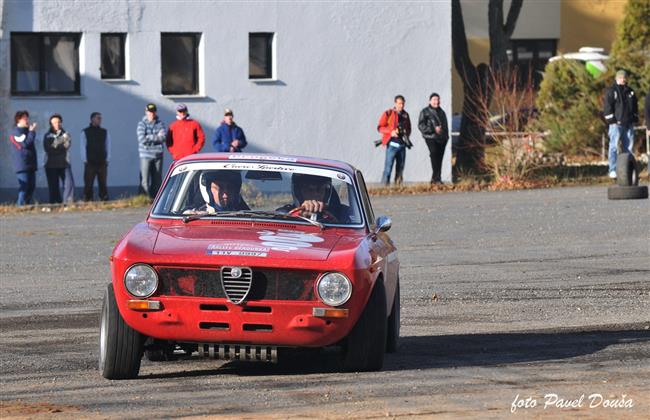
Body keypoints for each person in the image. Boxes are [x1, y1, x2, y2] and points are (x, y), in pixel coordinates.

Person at [603, 70, 638, 178]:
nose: (624, 79)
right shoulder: (612, 91)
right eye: (622, 77)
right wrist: (612, 120)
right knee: (613, 147)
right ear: (617, 78)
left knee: (628, 149)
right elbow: (607, 108)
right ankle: (612, 170)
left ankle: (628, 171)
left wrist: (634, 118)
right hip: (616, 125)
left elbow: (635, 107)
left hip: (628, 124)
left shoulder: (630, 91)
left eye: (625, 77)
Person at [278, 174, 348, 223]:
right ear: (298, 193)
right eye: (309, 190)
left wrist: (334, 222)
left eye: (320, 189)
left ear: (327, 192)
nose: (316, 195)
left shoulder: (344, 214)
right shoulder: (283, 214)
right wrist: (297, 217)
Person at [377, 95, 411, 185]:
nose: (401, 105)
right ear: (395, 103)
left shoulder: (405, 115)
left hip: (402, 145)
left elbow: (409, 129)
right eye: (399, 103)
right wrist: (390, 132)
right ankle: (384, 187)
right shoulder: (389, 113)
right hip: (392, 145)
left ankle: (398, 187)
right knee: (388, 168)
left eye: (403, 103)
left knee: (400, 168)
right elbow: (380, 127)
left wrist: (405, 135)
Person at [137, 103, 167, 199]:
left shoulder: (160, 123)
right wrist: (156, 137)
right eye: (150, 112)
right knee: (145, 179)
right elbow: (142, 139)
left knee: (157, 179)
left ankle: (156, 199)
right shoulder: (142, 124)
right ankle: (144, 199)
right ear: (146, 112)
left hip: (158, 155)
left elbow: (163, 137)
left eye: (153, 112)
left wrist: (149, 137)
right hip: (145, 155)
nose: (152, 114)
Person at [418, 93, 449, 184]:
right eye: (434, 100)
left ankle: (436, 178)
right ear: (430, 101)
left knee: (439, 158)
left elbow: (445, 126)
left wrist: (446, 137)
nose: (436, 101)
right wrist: (433, 129)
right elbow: (420, 125)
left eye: (438, 99)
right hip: (430, 137)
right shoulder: (425, 111)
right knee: (434, 153)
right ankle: (436, 178)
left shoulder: (442, 112)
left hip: (442, 138)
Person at [43, 114, 74, 204]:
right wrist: (59, 144)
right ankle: (55, 204)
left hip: (64, 163)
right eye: (54, 122)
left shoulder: (66, 134)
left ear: (61, 123)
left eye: (58, 122)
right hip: (50, 164)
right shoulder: (47, 135)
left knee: (69, 184)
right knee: (53, 186)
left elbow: (66, 146)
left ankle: (67, 204)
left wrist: (54, 146)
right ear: (50, 124)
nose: (56, 124)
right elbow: (47, 149)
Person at [9, 110, 37, 206]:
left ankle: (26, 205)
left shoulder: (27, 131)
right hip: (22, 164)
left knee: (32, 186)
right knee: (24, 187)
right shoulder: (16, 132)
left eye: (27, 118)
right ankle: (20, 206)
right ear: (19, 120)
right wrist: (32, 132)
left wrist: (31, 132)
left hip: (30, 163)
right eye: (25, 118)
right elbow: (25, 144)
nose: (27, 120)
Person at [81, 112, 111, 201]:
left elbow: (108, 145)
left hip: (102, 161)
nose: (100, 120)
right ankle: (88, 200)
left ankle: (104, 199)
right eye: (98, 118)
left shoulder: (104, 132)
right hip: (90, 162)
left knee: (103, 183)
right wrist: (84, 159)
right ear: (92, 119)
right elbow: (82, 146)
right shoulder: (85, 132)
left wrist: (108, 158)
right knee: (88, 183)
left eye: (100, 118)